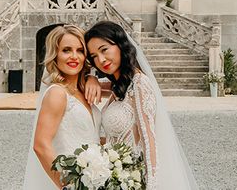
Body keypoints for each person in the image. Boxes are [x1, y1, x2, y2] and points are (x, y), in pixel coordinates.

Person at [85, 20, 199, 190]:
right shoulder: (121, 85)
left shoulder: (139, 84)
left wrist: (151, 185)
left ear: (120, 45)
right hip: (115, 178)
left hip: (134, 180)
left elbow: (149, 139)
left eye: (104, 50)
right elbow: (77, 86)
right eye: (94, 56)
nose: (101, 60)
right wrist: (90, 77)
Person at [23, 25, 101, 189]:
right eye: (66, 50)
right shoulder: (57, 93)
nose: (74, 56)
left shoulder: (83, 90)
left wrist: (92, 78)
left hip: (94, 179)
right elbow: (41, 145)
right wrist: (69, 185)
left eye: (80, 50)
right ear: (55, 55)